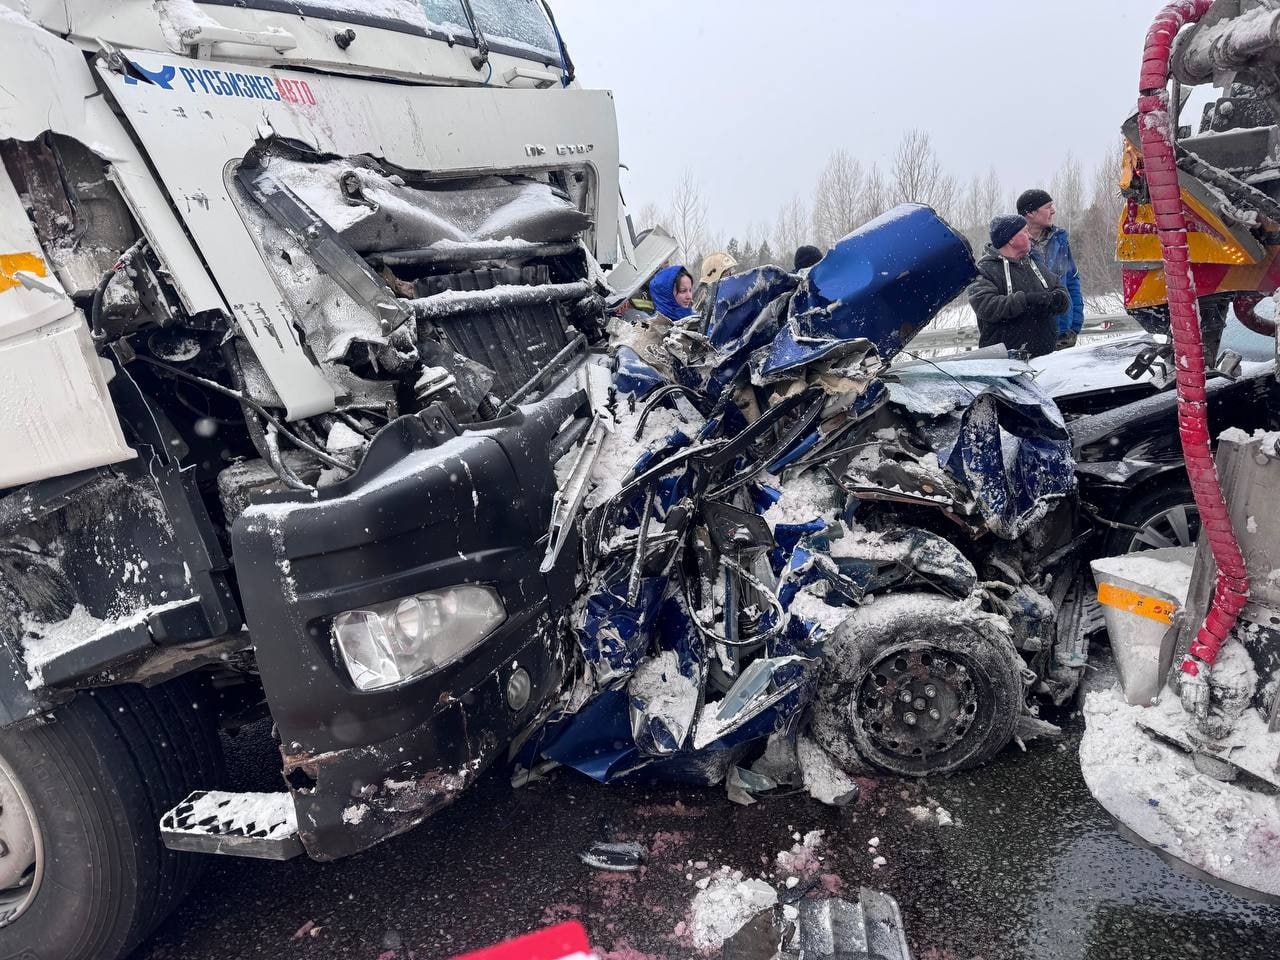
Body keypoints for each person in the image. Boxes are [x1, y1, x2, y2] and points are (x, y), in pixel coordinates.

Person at [967, 214, 1070, 359]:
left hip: (1045, 358)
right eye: (1025, 231)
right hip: (1004, 363)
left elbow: (1060, 289)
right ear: (1011, 239)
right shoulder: (983, 271)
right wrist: (1026, 301)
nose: (1030, 236)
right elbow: (986, 306)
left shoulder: (1035, 264)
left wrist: (1058, 299)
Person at [1017, 188, 1084, 350]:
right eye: (1048, 207)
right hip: (1031, 338)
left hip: (1063, 333)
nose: (1053, 211)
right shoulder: (1014, 246)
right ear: (1030, 213)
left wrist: (1075, 324)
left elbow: (1072, 280)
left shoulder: (1060, 240)